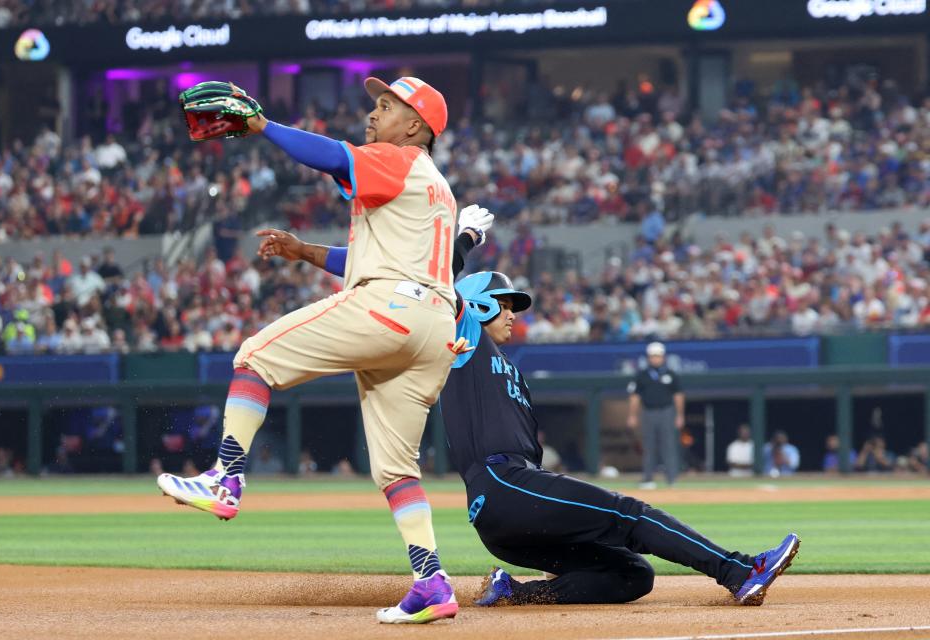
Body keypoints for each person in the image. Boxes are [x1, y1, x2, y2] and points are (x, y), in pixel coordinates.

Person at [286, 226, 799, 609]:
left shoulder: (508, 367)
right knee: (630, 513)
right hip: (503, 483)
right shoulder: (464, 340)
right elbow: (410, 276)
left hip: (508, 508)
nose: (514, 313)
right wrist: (461, 237)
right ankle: (737, 571)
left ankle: (516, 594)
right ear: (478, 305)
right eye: (505, 303)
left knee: (631, 575)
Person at [158, 75, 470, 625]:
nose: (374, 114)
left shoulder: (398, 158)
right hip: (433, 327)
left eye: (386, 106)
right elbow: (377, 257)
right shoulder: (436, 185)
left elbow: (331, 157)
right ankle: (431, 582)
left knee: (254, 355)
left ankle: (225, 478)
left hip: (391, 309)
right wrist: (305, 252)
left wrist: (262, 125)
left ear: (416, 126)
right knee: (398, 471)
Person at [627, 342, 684, 488]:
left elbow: (678, 395)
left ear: (663, 357)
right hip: (648, 412)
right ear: (648, 357)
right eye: (653, 356)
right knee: (649, 446)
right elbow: (635, 397)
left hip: (666, 411)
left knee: (669, 446)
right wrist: (632, 415)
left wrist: (679, 415)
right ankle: (648, 479)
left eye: (658, 356)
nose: (655, 359)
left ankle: (671, 479)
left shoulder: (671, 374)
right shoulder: (642, 375)